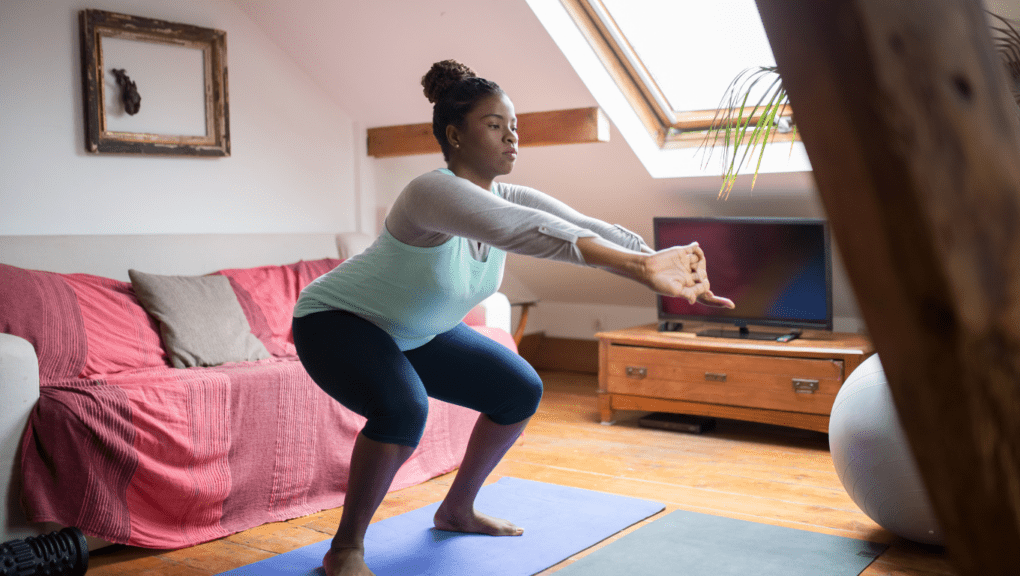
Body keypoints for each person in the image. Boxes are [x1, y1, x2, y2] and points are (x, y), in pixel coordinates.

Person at [292, 59, 735, 576]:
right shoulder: (428, 193)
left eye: (514, 127)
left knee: (518, 389)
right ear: (455, 135)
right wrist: (641, 268)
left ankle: (457, 509)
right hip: (338, 320)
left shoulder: (508, 194)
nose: (511, 138)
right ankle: (345, 549)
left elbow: (581, 225)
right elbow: (524, 230)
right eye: (494, 125)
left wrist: (668, 258)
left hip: (414, 329)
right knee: (402, 409)